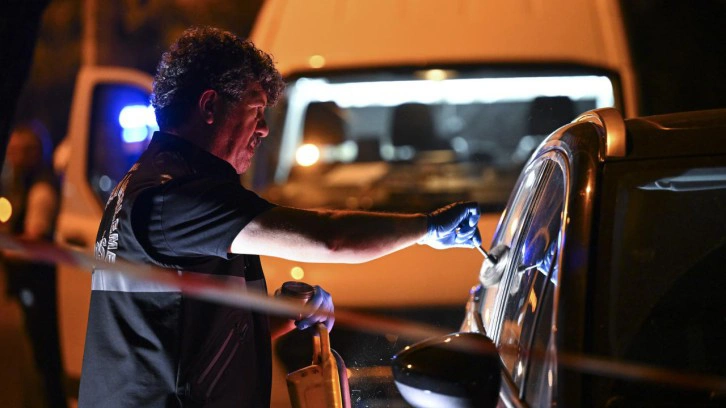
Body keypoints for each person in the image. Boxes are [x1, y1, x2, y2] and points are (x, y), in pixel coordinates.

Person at [78, 26, 481, 408]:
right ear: (210, 106)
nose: (264, 129)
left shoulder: (149, 186)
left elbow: (176, 335)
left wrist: (280, 314)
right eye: (255, 109)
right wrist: (426, 228)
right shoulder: (176, 197)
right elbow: (330, 239)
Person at [0, 123, 67, 408]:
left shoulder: (40, 189)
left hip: (37, 284)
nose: (14, 157)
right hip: (35, 283)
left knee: (44, 353)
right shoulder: (26, 184)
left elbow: (33, 242)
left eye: (22, 151)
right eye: (12, 150)